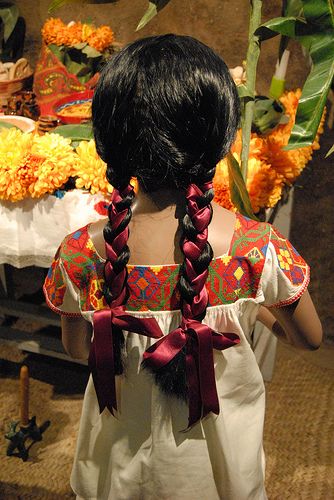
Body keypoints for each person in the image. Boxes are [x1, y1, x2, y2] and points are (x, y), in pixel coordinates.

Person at [43, 34, 322, 500]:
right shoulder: (255, 249)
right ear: (219, 133)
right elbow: (308, 338)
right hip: (215, 471)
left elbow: (79, 351)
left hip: (119, 459)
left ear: (110, 137)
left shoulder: (81, 253)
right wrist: (251, 307)